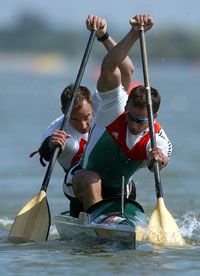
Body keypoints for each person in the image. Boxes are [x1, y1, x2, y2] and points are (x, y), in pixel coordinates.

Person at [65, 14, 172, 215]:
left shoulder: (157, 139)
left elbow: (162, 159)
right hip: (82, 182)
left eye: (140, 121)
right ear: (126, 106)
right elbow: (111, 67)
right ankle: (99, 222)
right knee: (91, 179)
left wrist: (157, 160)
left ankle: (112, 223)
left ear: (153, 118)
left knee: (126, 191)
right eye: (130, 116)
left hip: (120, 192)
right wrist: (133, 34)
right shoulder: (115, 107)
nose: (133, 124)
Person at [31, 15, 135, 217]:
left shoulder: (102, 103)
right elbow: (43, 151)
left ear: (92, 105)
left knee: (126, 179)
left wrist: (103, 36)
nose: (84, 125)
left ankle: (120, 220)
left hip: (112, 176)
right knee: (91, 178)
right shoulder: (58, 128)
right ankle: (98, 221)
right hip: (79, 185)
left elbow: (126, 69)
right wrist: (51, 145)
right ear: (64, 113)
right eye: (75, 120)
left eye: (87, 117)